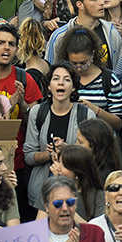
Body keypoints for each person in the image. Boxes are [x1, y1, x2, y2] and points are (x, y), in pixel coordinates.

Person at [24, 63, 96, 210]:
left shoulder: (86, 115)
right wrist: (48, 154)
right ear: (49, 86)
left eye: (67, 79)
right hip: (41, 189)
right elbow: (28, 156)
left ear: (74, 87)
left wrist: (67, 150)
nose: (61, 83)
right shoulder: (37, 112)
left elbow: (92, 156)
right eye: (56, 78)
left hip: (76, 190)